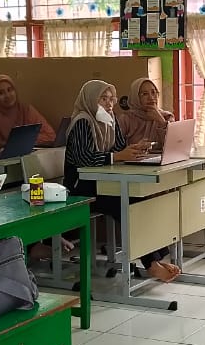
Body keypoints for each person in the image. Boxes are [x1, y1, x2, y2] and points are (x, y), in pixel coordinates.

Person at [64, 79, 180, 282]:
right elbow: (84, 159)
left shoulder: (110, 119)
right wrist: (117, 156)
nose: (109, 104)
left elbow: (118, 148)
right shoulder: (83, 121)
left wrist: (134, 149)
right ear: (91, 99)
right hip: (81, 187)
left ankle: (157, 259)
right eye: (103, 99)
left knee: (141, 201)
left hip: (103, 183)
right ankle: (152, 264)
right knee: (126, 203)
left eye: (111, 99)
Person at [0, 74, 55, 152]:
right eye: (1, 93)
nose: (7, 96)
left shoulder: (26, 111)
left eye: (10, 90)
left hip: (21, 157)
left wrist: (22, 140)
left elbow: (50, 135)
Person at [118, 77, 174, 146]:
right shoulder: (126, 119)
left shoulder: (167, 116)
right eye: (145, 94)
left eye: (153, 92)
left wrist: (161, 121)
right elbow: (118, 147)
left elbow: (173, 144)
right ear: (136, 97)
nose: (151, 97)